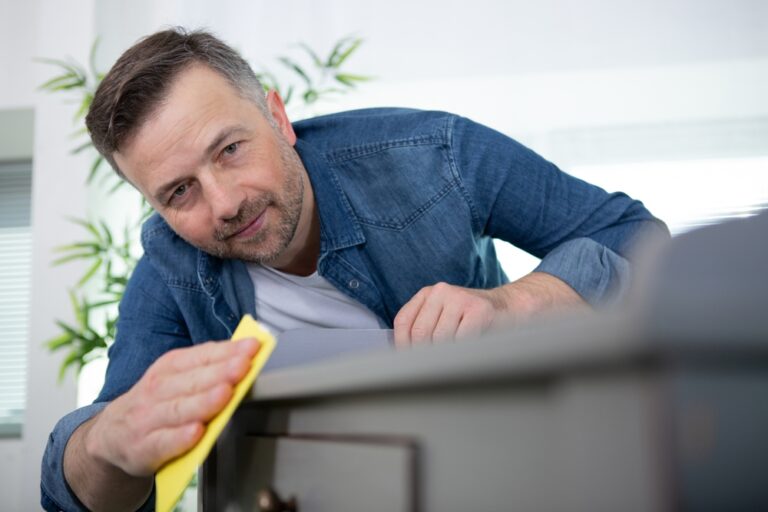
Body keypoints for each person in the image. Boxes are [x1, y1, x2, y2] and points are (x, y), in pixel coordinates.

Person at [40, 28, 668, 511]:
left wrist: (515, 303)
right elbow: (99, 488)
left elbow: (634, 235)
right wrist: (105, 445)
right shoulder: (170, 265)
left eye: (230, 150)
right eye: (179, 192)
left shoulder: (437, 156)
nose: (225, 203)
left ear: (278, 118)